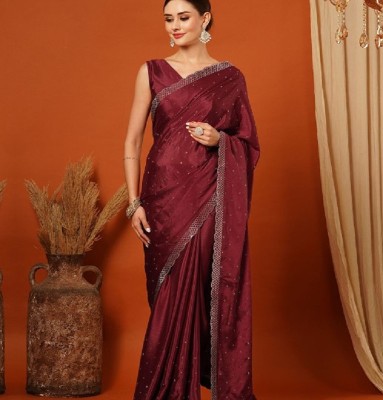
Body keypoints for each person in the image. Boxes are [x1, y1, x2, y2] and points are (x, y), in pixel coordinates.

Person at [124, 0, 260, 398]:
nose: (174, 26)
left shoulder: (230, 77)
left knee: (196, 290)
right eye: (168, 19)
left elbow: (249, 144)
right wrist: (134, 203)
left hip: (207, 198)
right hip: (161, 200)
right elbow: (132, 143)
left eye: (183, 18)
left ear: (205, 18)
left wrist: (220, 140)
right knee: (168, 296)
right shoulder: (151, 71)